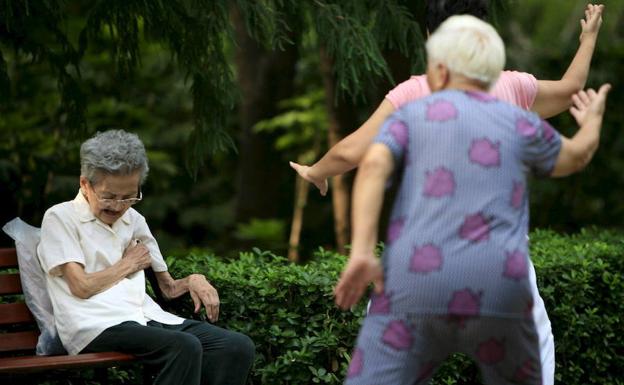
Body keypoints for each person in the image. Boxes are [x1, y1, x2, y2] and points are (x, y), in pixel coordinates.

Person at [291, 3, 604, 384]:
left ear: (433, 44)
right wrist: (590, 118)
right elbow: (573, 149)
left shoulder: (413, 99)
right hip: (499, 275)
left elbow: (360, 157)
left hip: (416, 273)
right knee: (537, 350)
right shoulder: (514, 105)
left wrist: (319, 176)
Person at [37, 130, 255, 385]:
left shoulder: (134, 220)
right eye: (109, 196)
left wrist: (193, 280)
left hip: (145, 318)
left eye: (129, 197)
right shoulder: (60, 217)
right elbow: (81, 286)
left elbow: (168, 288)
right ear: (85, 184)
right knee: (183, 346)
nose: (118, 206)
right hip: (93, 324)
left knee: (236, 346)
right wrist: (128, 264)